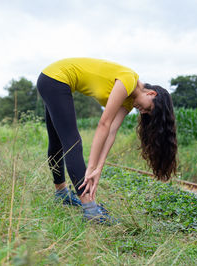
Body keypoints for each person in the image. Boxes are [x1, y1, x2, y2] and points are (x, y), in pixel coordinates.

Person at [37, 57, 177, 224]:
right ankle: (90, 210)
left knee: (57, 141)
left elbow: (111, 132)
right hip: (55, 78)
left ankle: (61, 194)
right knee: (72, 141)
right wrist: (90, 166)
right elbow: (104, 123)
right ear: (151, 93)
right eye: (148, 108)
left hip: (53, 79)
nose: (143, 112)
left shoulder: (129, 101)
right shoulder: (128, 80)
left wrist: (98, 168)